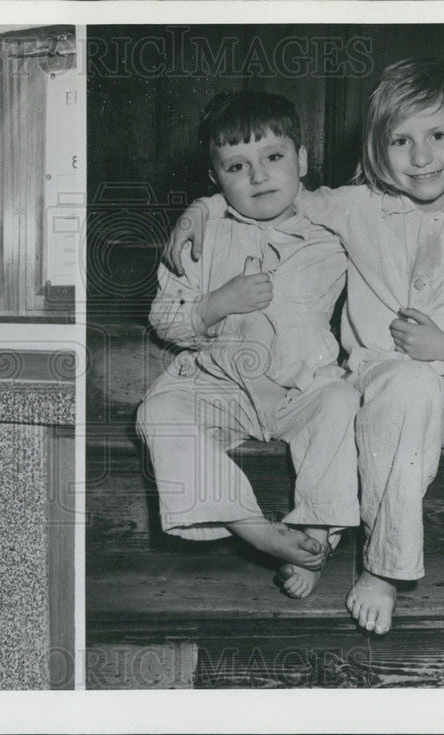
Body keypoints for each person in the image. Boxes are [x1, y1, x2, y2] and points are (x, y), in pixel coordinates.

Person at [165, 59, 444, 634]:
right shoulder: (357, 206)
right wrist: (199, 208)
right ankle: (384, 568)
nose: (420, 157)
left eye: (438, 135)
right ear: (377, 149)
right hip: (387, 394)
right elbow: (272, 193)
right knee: (409, 380)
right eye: (400, 140)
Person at [137, 91, 360, 599]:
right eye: (238, 166)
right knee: (157, 411)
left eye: (274, 158)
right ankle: (249, 524)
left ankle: (315, 534)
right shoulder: (203, 236)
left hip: (300, 386)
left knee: (342, 402)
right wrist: (217, 303)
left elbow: (397, 205)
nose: (259, 177)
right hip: (224, 386)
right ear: (216, 179)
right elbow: (165, 319)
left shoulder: (333, 226)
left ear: (302, 161)